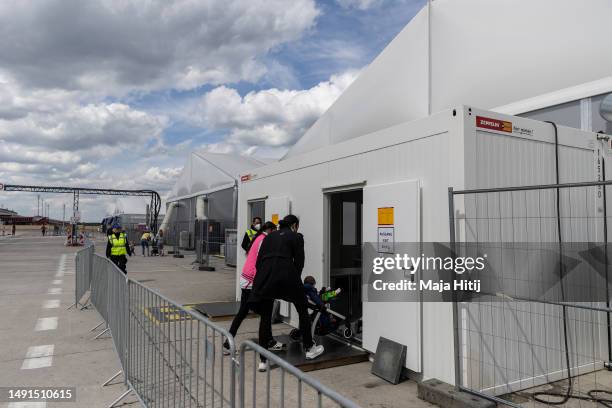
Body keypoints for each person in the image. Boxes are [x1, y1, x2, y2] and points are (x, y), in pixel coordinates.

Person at [250, 215, 324, 372]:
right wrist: (293, 281)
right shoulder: (296, 237)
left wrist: (265, 276)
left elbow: (259, 261)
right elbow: (299, 262)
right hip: (286, 275)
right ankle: (310, 348)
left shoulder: (269, 236)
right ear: (295, 225)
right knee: (302, 309)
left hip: (265, 277)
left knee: (265, 317)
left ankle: (263, 360)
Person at [223, 221, 277, 355]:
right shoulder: (263, 240)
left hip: (246, 279)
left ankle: (227, 344)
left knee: (243, 312)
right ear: (270, 230)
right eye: (274, 231)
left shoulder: (257, 238)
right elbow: (259, 262)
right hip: (251, 282)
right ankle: (268, 342)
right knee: (265, 313)